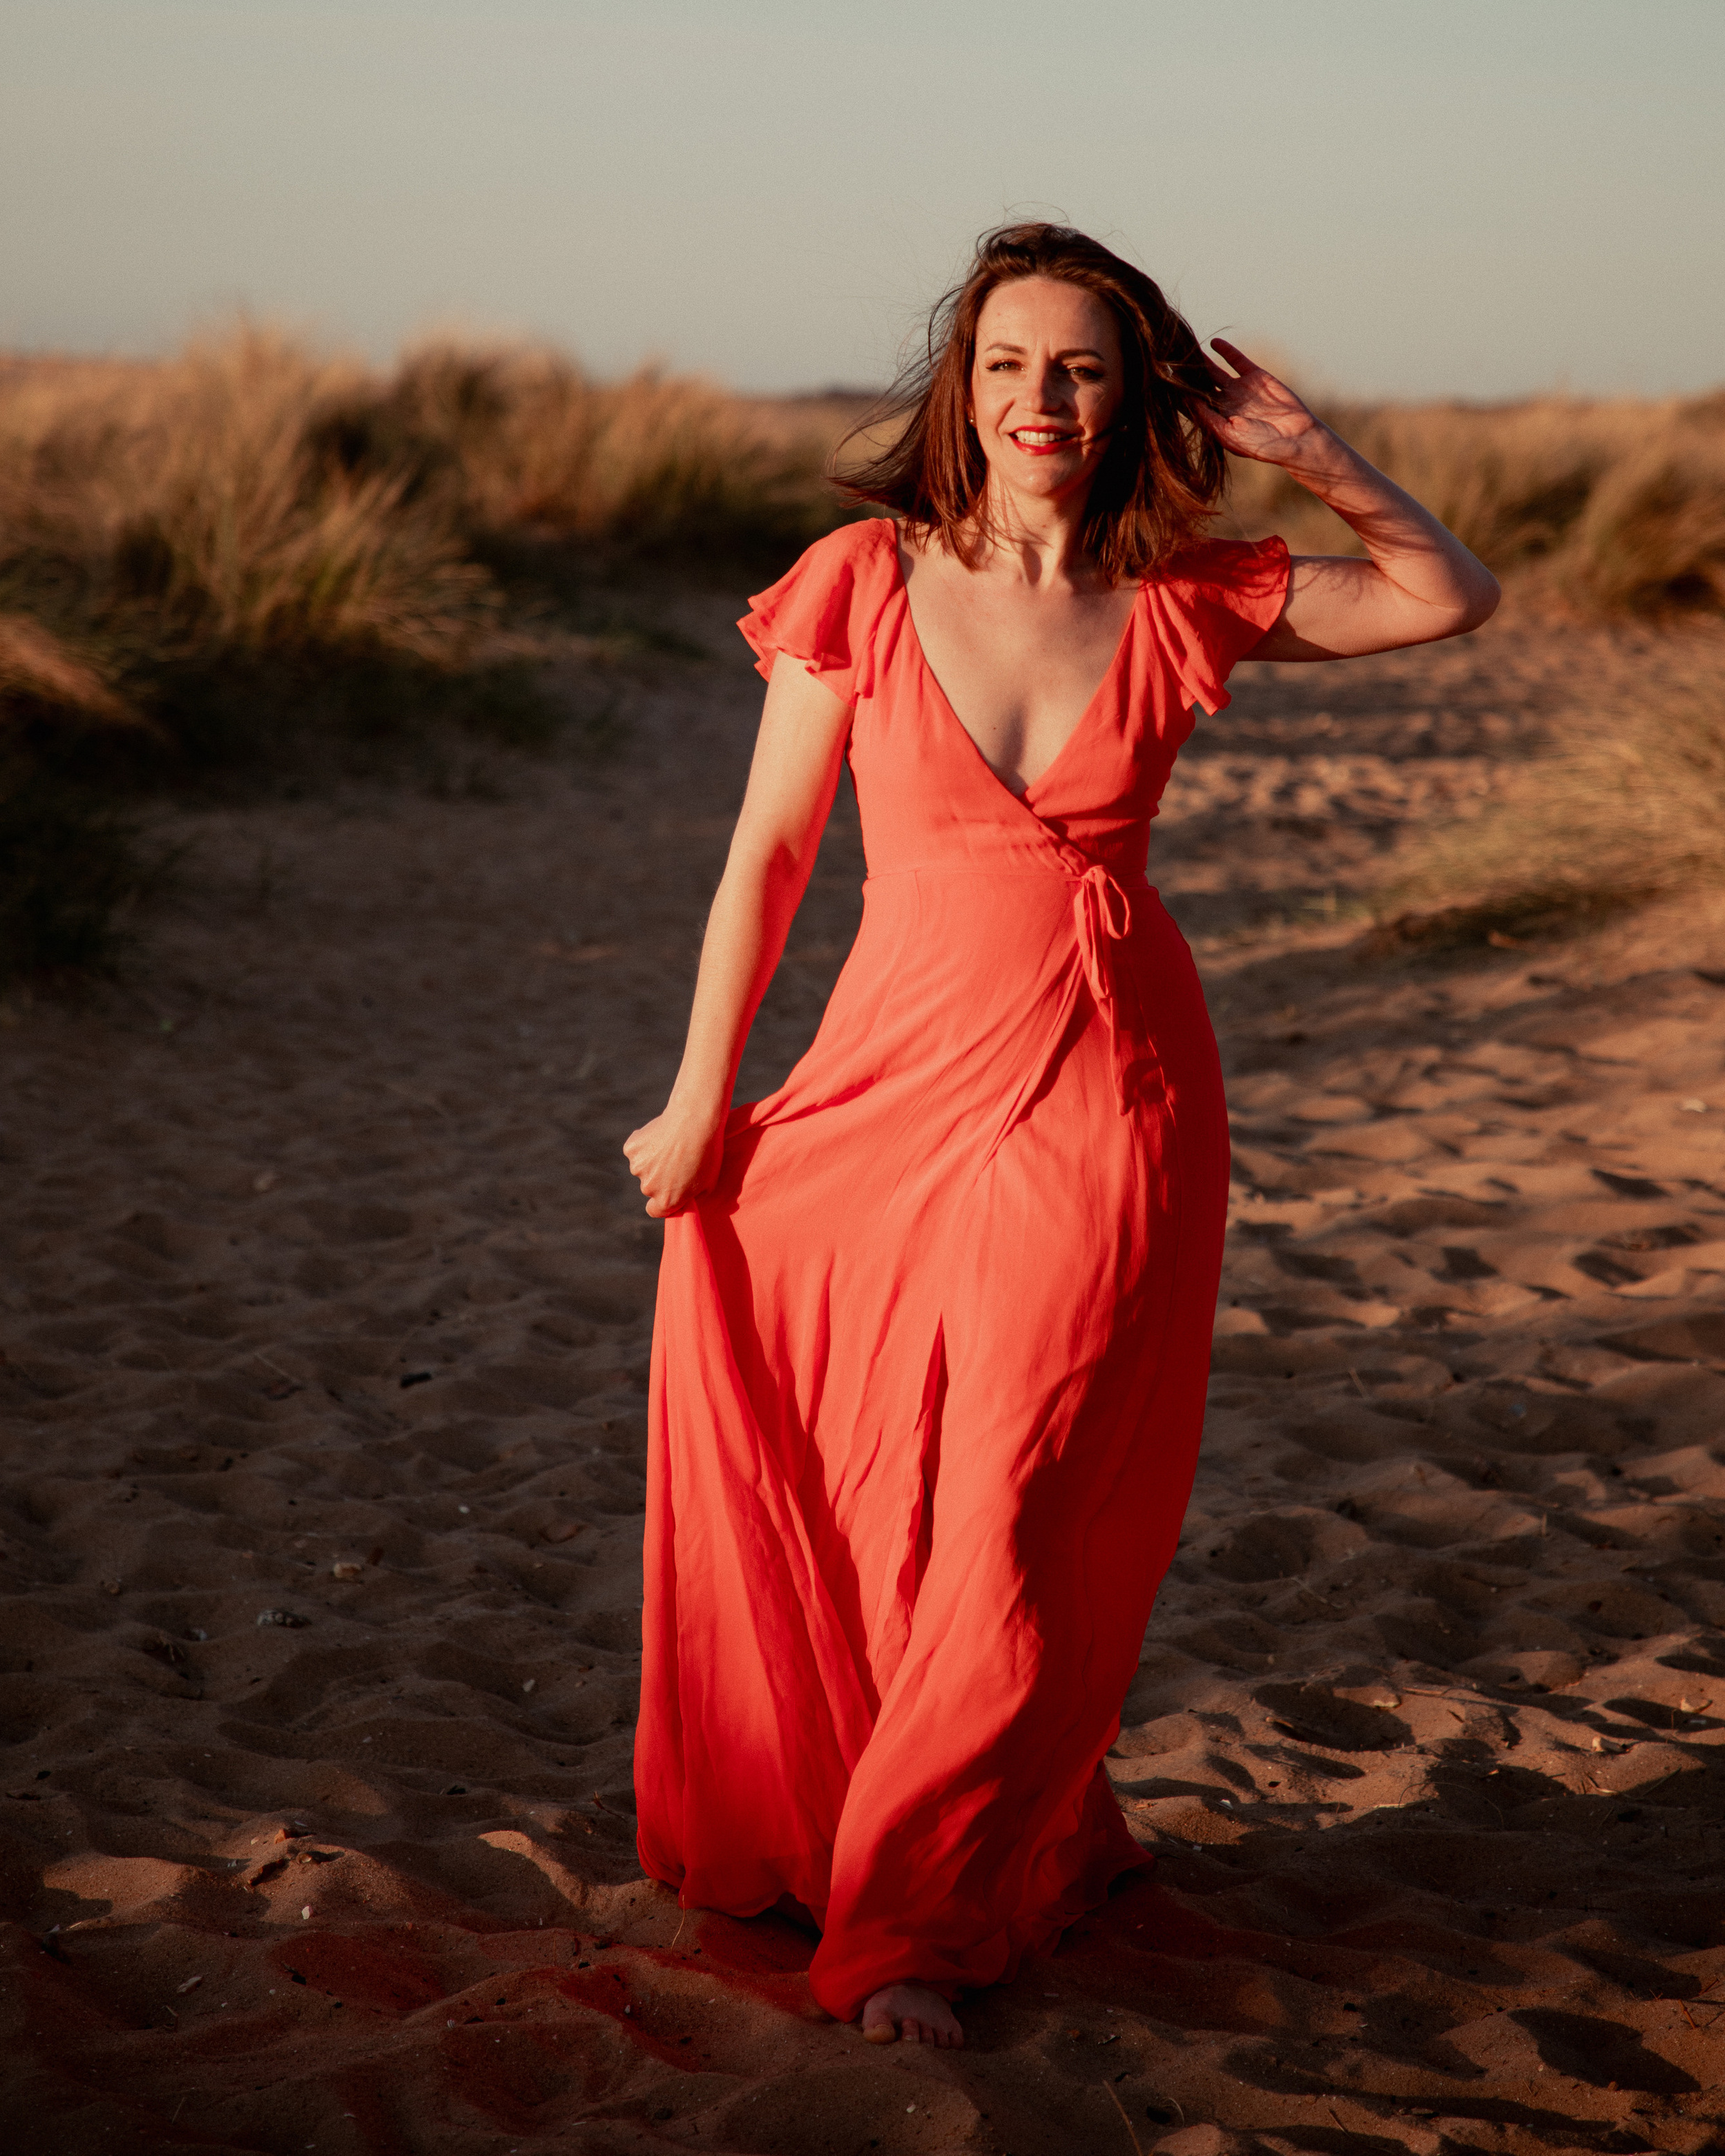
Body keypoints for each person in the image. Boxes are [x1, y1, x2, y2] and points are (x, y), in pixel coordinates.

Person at [621, 222, 1499, 2048]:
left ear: (1131, 396)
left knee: (1011, 1500)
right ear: (964, 384)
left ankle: (915, 1931)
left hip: (1111, 1081)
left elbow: (1447, 596)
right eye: (1012, 362)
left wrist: (1319, 460)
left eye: (1084, 367)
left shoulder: (1181, 597)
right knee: (880, 1475)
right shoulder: (861, 580)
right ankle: (908, 1818)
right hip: (886, 1072)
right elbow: (771, 857)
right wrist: (706, 1088)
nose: (1044, 397)